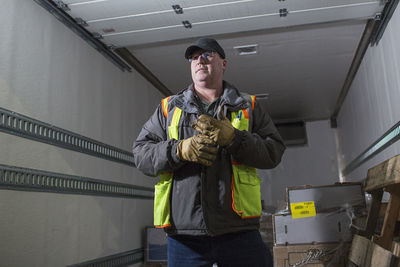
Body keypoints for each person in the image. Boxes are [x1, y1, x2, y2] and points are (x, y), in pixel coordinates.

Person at [133, 37, 285, 267]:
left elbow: (274, 151)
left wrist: (235, 139)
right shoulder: (168, 108)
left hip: (238, 229)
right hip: (185, 236)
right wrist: (179, 150)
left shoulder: (248, 106)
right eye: (194, 58)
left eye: (207, 55)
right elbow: (141, 154)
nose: (199, 61)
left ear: (223, 63)